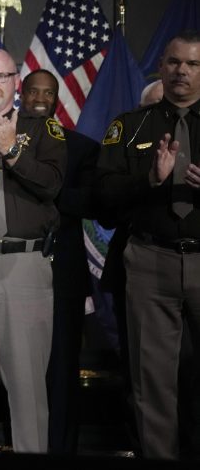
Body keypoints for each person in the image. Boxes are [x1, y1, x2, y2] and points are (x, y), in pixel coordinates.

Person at [95, 30, 200, 460]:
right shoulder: (130, 124)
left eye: (193, 64)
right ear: (161, 66)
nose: (182, 72)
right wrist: (150, 180)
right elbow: (102, 199)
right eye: (175, 62)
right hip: (151, 261)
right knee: (151, 381)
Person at [0, 49, 66, 453]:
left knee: (26, 386)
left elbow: (52, 184)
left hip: (25, 264)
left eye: (1, 76)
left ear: (15, 81)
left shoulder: (43, 130)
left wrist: (12, 149)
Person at [19, 69, 99, 454]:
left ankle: (61, 451)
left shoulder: (82, 148)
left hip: (61, 275)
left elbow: (90, 203)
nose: (39, 97)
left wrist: (42, 188)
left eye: (47, 92)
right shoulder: (2, 141)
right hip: (8, 273)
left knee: (61, 372)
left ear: (56, 98)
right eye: (32, 89)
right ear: (21, 92)